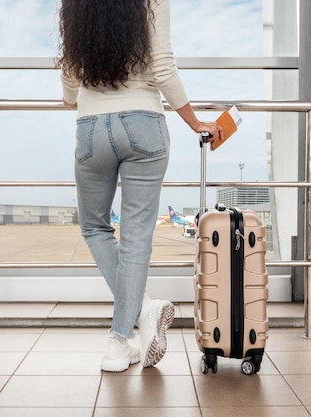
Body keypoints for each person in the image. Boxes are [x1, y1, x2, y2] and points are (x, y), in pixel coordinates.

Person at [58, 0, 223, 372]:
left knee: (94, 227)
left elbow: (69, 70)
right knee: (136, 236)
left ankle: (140, 318)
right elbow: (163, 68)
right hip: (145, 124)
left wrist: (70, 98)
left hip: (91, 128)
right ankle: (122, 338)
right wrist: (195, 122)